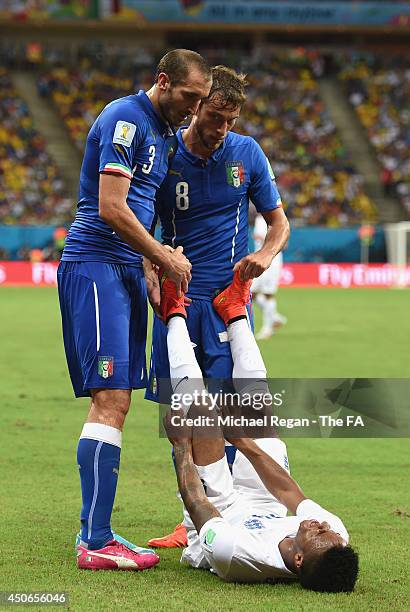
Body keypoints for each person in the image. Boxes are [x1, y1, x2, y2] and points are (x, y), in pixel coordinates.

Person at [57, 49, 212, 571]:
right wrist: (161, 255)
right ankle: (95, 539)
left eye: (200, 102)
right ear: (163, 82)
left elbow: (143, 207)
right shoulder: (126, 119)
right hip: (97, 263)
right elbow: (112, 206)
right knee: (111, 398)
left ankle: (97, 534)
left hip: (125, 269)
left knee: (117, 401)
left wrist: (148, 264)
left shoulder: (166, 136)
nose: (193, 110)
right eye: (189, 98)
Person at [145, 65, 289, 548]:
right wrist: (153, 266)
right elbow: (142, 223)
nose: (221, 128)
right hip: (178, 298)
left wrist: (265, 255)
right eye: (215, 115)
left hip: (226, 302)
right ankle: (190, 520)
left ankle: (228, 509)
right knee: (181, 415)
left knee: (230, 410)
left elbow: (278, 222)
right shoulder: (164, 156)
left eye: (230, 119)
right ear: (198, 104)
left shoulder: (246, 153)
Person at [252, 212, 287, 340]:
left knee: (268, 294)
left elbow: (284, 242)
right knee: (251, 293)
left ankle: (268, 329)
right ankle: (275, 317)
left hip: (272, 260)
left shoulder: (275, 217)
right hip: (258, 260)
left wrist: (268, 240)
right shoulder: (258, 218)